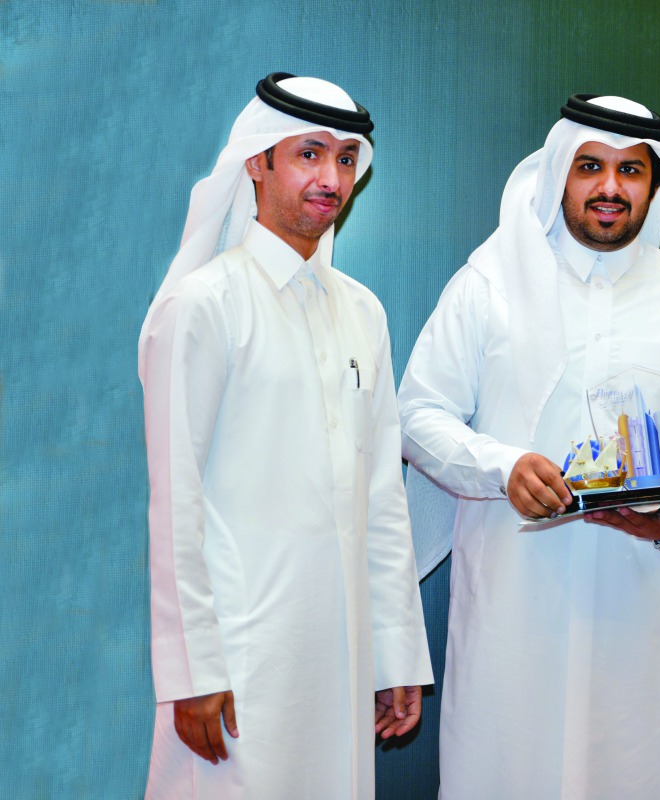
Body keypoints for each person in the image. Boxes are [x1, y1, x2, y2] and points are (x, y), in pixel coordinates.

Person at [397, 94, 660, 798]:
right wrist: (502, 467)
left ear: (653, 186)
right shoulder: (488, 287)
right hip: (515, 609)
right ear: (558, 174)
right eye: (590, 166)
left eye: (631, 171)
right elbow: (418, 414)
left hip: (644, 612)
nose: (609, 187)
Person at [138, 73, 433, 799]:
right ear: (257, 162)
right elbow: (175, 502)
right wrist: (192, 670)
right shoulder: (205, 305)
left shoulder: (363, 312)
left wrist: (395, 653)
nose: (331, 178)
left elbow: (381, 497)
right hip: (241, 658)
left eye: (345, 159)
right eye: (308, 154)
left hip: (340, 655)